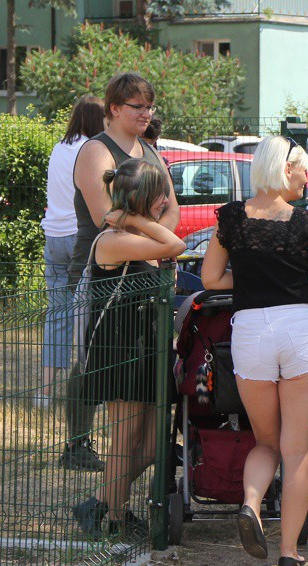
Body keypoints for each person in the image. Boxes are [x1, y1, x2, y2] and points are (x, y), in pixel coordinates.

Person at [202, 136, 308, 566]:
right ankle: (288, 552)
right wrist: (302, 286)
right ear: (286, 169)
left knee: (265, 441)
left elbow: (209, 277)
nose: (305, 176)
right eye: (301, 168)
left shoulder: (232, 219)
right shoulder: (307, 224)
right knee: (296, 450)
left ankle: (252, 503)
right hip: (298, 328)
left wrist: (246, 282)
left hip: (251, 331)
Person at [62, 73, 179, 472]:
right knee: (105, 381)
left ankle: (110, 501)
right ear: (114, 108)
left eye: (150, 107)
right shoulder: (97, 151)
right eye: (138, 107)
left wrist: (157, 238)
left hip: (147, 280)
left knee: (146, 409)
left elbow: (172, 208)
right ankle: (79, 446)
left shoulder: (148, 148)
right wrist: (155, 235)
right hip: (106, 279)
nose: (147, 113)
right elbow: (106, 218)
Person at [72, 159, 186, 539]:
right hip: (120, 349)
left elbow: (168, 241)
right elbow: (175, 243)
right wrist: (130, 218)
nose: (165, 203)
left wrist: (132, 216)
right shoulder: (112, 239)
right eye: (160, 196)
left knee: (152, 444)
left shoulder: (135, 234)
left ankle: (100, 503)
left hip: (147, 347)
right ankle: (115, 515)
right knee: (125, 441)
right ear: (144, 199)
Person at [36, 96, 105, 412]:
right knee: (85, 318)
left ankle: (45, 393)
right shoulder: (92, 151)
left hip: (53, 236)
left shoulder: (58, 147)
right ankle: (87, 391)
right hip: (79, 238)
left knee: (58, 314)